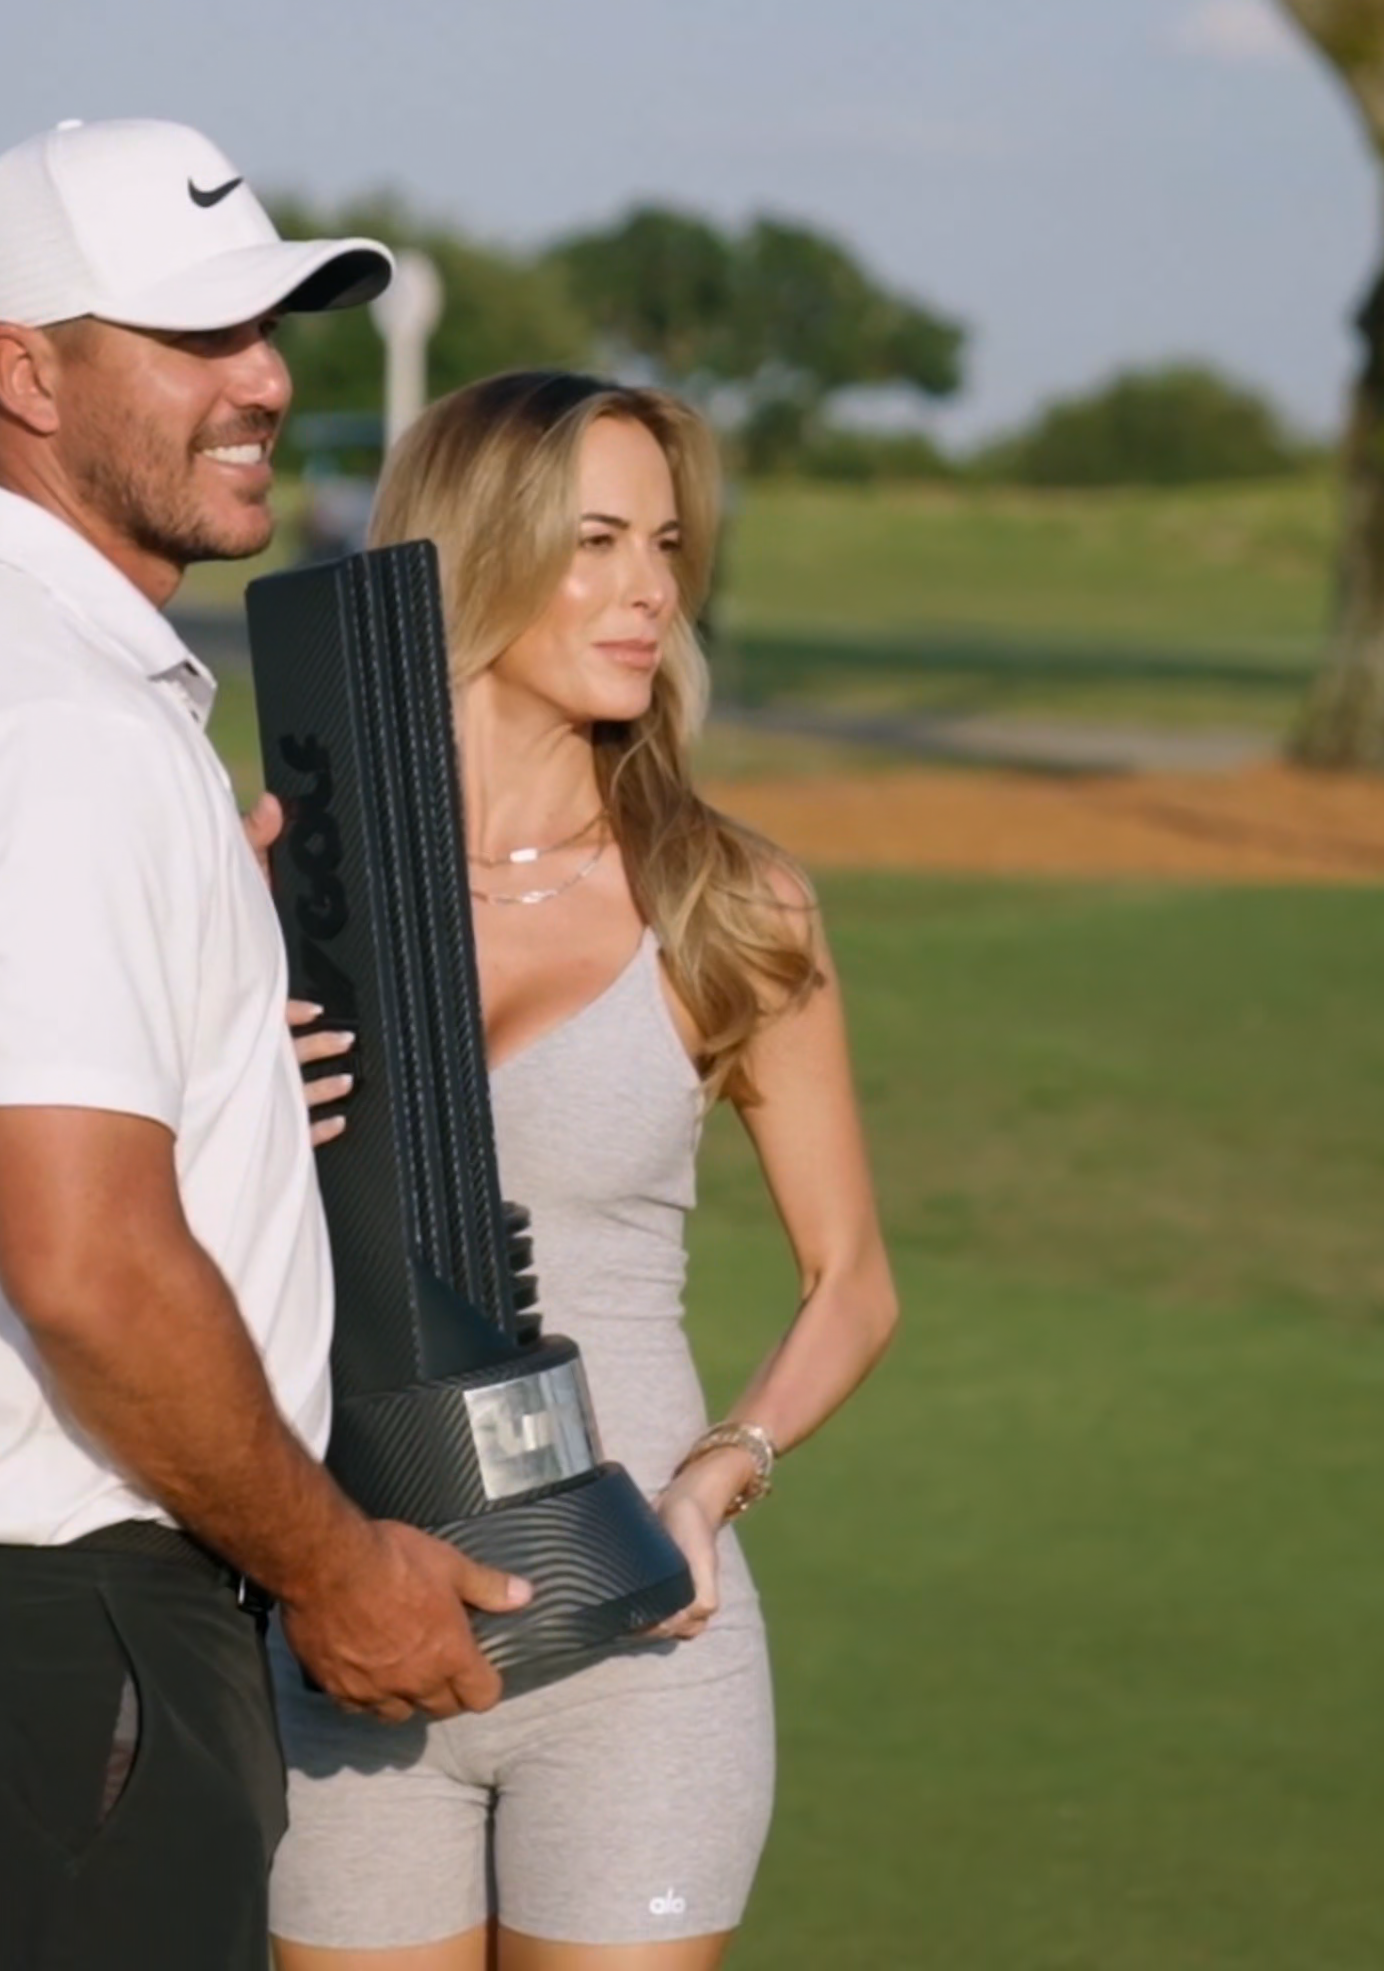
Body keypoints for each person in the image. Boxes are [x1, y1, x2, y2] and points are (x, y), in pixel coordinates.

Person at [0, 117, 531, 1971]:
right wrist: (337, 1572)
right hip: (65, 1631)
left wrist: (200, 1007)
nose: (262, 380)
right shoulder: (57, 723)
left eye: (265, 329)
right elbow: (88, 1266)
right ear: (25, 374)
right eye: (194, 337)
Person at [268, 371, 904, 1970]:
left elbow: (852, 1283)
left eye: (667, 546)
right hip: (348, 1626)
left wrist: (712, 1482)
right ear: (475, 552)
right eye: (597, 541)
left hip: (640, 1637)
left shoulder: (726, 901)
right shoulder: (270, 892)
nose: (650, 591)